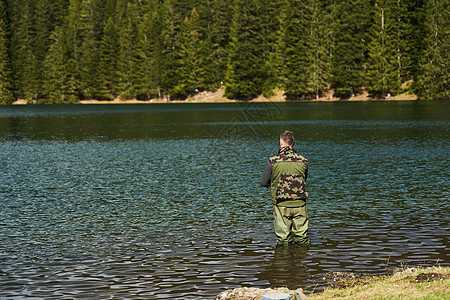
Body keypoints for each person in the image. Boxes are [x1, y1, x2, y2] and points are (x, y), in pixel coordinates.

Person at [261, 130, 310, 245]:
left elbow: (263, 182)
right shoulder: (304, 160)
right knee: (302, 238)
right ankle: (302, 260)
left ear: (281, 143)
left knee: (283, 240)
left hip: (281, 204)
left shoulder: (273, 161)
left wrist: (269, 183)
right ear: (293, 143)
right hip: (299, 203)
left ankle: (283, 260)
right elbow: (304, 179)